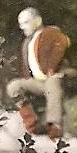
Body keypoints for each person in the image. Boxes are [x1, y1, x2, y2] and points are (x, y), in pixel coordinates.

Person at [6, 7, 71, 140]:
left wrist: (53, 67)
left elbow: (63, 42)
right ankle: (32, 124)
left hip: (55, 77)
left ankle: (55, 125)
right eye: (20, 23)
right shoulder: (26, 42)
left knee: (52, 83)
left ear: (37, 21)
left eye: (26, 22)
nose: (22, 27)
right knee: (14, 86)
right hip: (38, 81)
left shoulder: (49, 32)